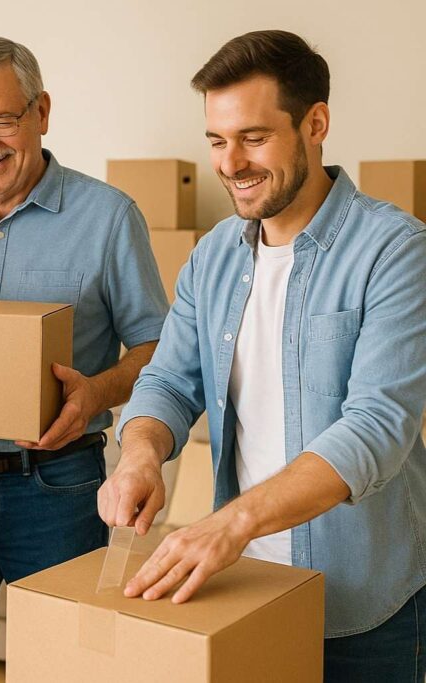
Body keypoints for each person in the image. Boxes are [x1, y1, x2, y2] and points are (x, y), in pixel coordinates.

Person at [101, 30, 426, 682]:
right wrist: (140, 452)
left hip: (365, 610)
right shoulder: (215, 255)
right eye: (217, 140)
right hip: (245, 591)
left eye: (253, 137)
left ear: (316, 123)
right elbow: (169, 376)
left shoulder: (396, 249)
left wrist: (230, 523)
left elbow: (376, 429)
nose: (230, 162)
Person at [0, 36, 169, 682]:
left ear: (42, 111)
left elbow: (158, 349)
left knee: (70, 665)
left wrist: (96, 393)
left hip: (58, 485)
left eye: (2, 119)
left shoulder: (109, 217)